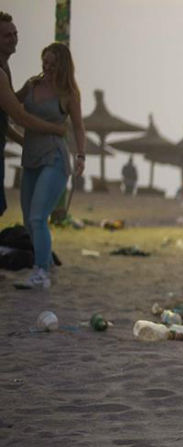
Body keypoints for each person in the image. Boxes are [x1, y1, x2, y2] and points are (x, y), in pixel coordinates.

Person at [12, 42, 84, 290]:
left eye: (53, 63)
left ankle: (41, 271)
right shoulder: (32, 85)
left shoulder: (68, 94)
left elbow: (77, 126)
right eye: (45, 62)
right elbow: (11, 102)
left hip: (54, 158)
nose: (48, 67)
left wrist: (81, 155)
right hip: (30, 157)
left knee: (38, 216)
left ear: (63, 65)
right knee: (27, 219)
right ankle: (45, 263)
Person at [0, 12, 67, 218]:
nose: (13, 39)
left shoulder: (5, 67)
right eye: (7, 35)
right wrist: (56, 129)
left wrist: (26, 90)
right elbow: (20, 116)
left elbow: (3, 115)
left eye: (15, 33)